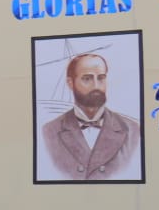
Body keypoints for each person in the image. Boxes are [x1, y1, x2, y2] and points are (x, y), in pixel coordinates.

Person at [40, 51, 142, 181]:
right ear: (70, 83)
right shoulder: (49, 132)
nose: (96, 86)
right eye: (87, 79)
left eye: (101, 78)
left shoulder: (132, 130)